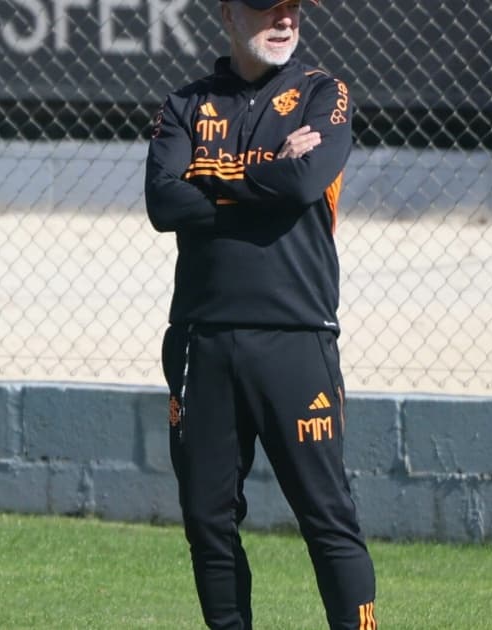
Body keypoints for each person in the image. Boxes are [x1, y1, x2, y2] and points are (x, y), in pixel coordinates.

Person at [144, 0, 377, 628]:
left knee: (327, 516)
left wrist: (209, 175)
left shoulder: (322, 94)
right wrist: (266, 167)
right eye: (266, 10)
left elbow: (304, 185)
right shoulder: (185, 105)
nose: (284, 22)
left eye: (292, 10)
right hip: (202, 339)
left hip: (296, 338)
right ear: (227, 15)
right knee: (207, 519)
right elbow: (163, 202)